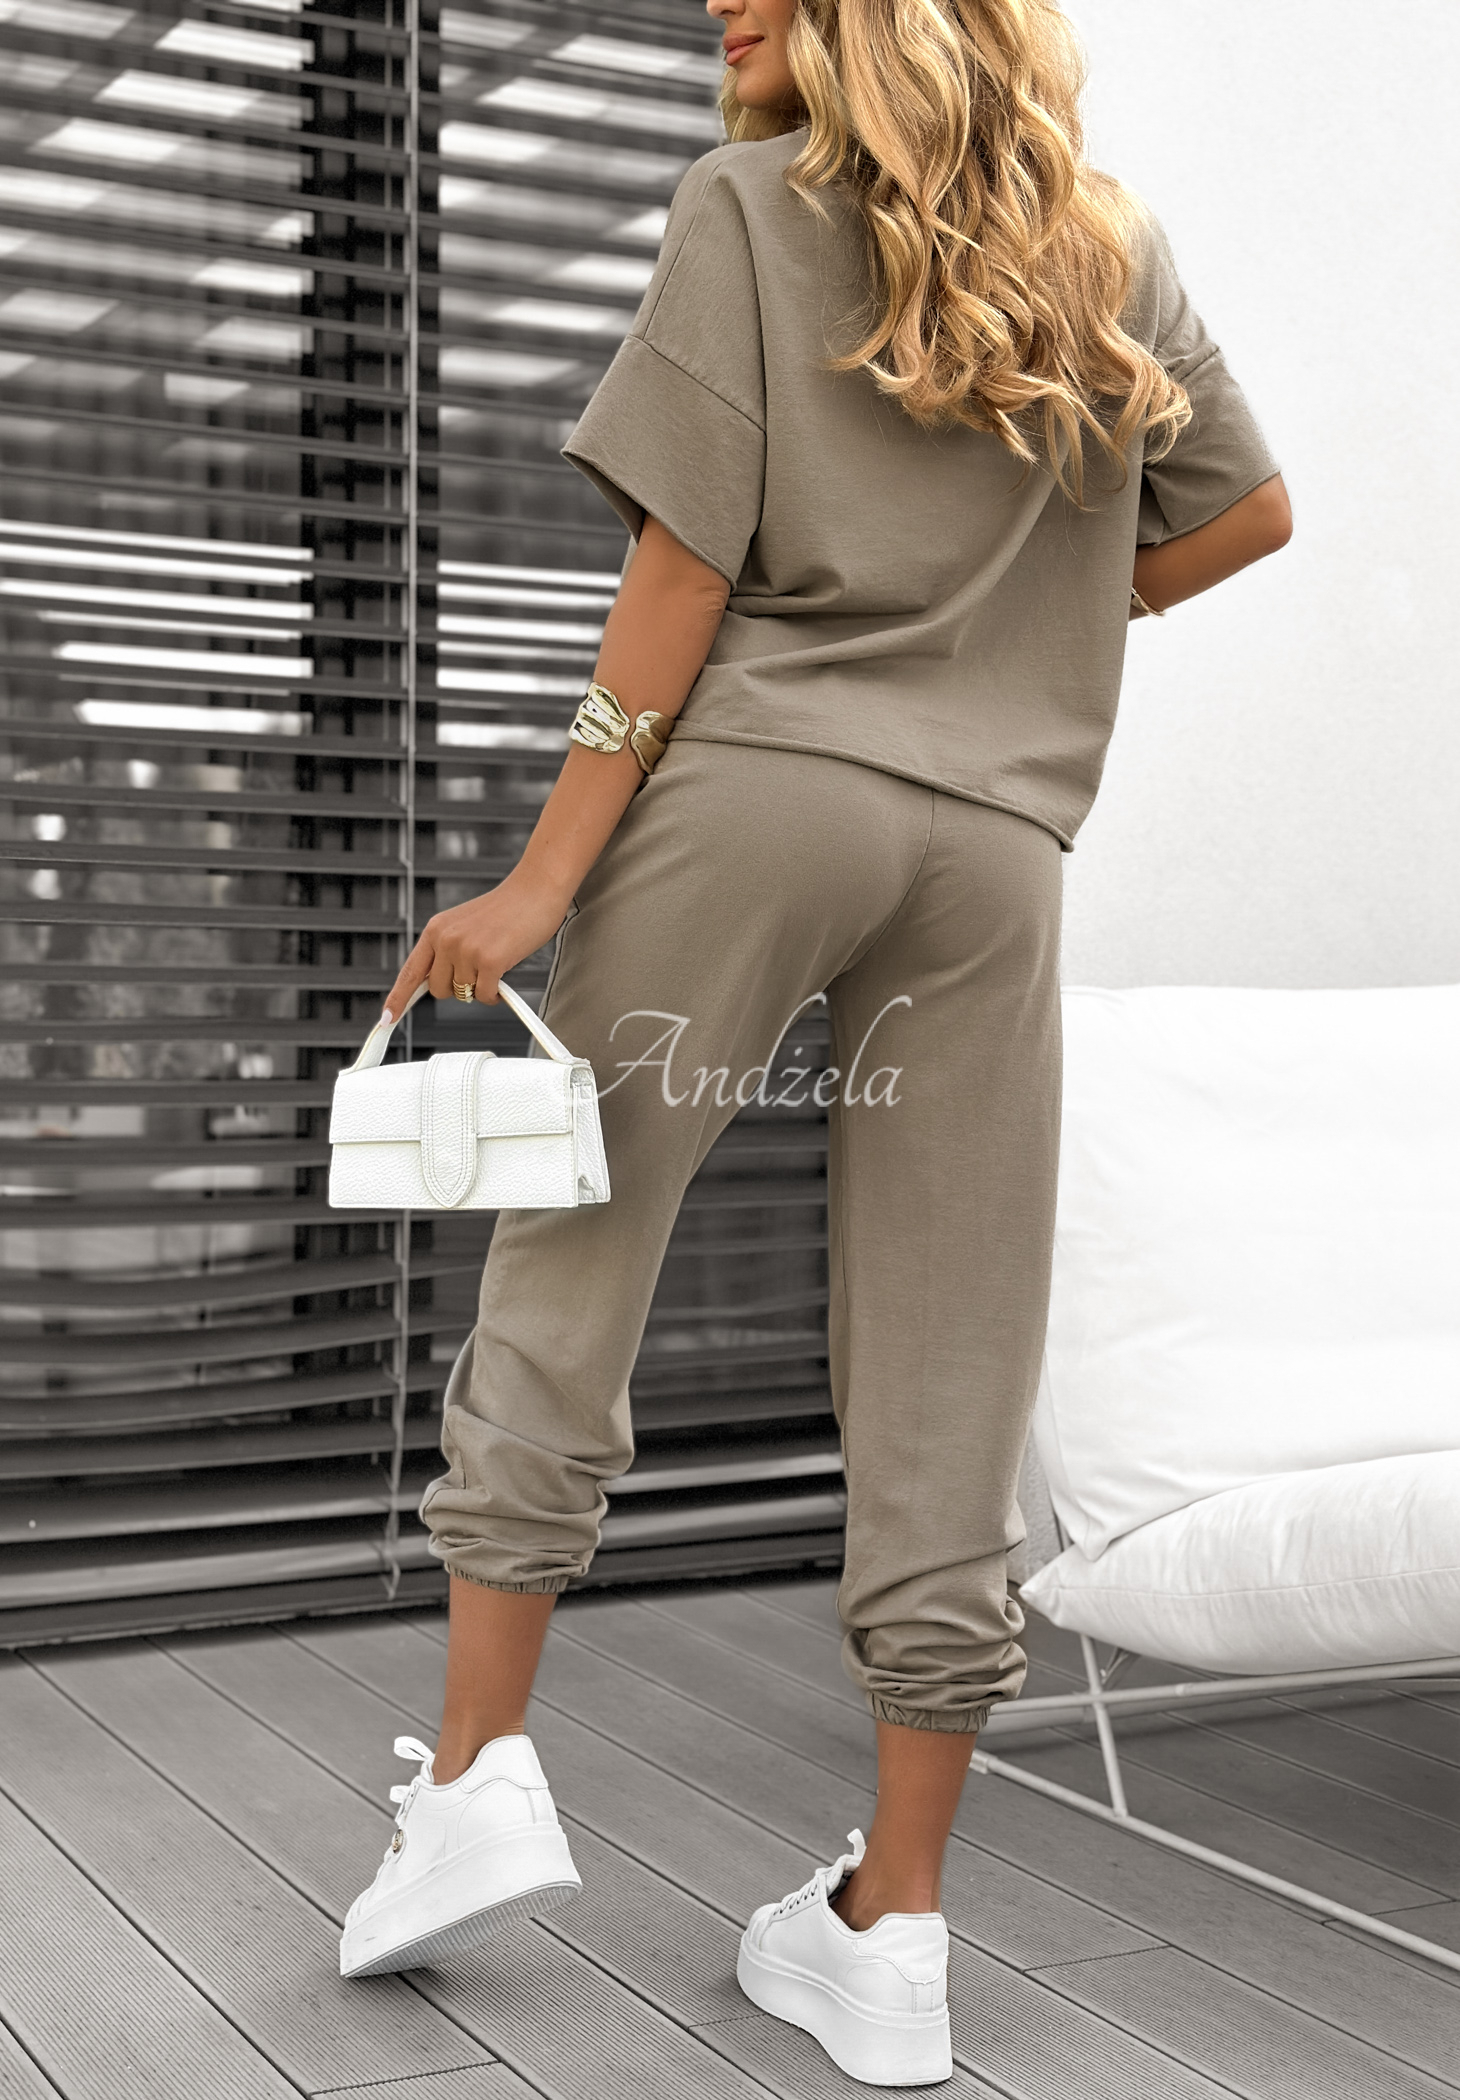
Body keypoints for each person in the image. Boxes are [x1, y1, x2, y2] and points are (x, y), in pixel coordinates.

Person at [340, 0, 1291, 2082]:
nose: (717, 5)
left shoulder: (749, 204)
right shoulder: (1103, 243)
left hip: (760, 790)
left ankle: (479, 1781)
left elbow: (681, 573)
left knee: (575, 1252)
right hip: (999, 851)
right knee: (954, 1350)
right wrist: (1015, 632)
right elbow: (1244, 517)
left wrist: (542, 878)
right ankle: (895, 1928)